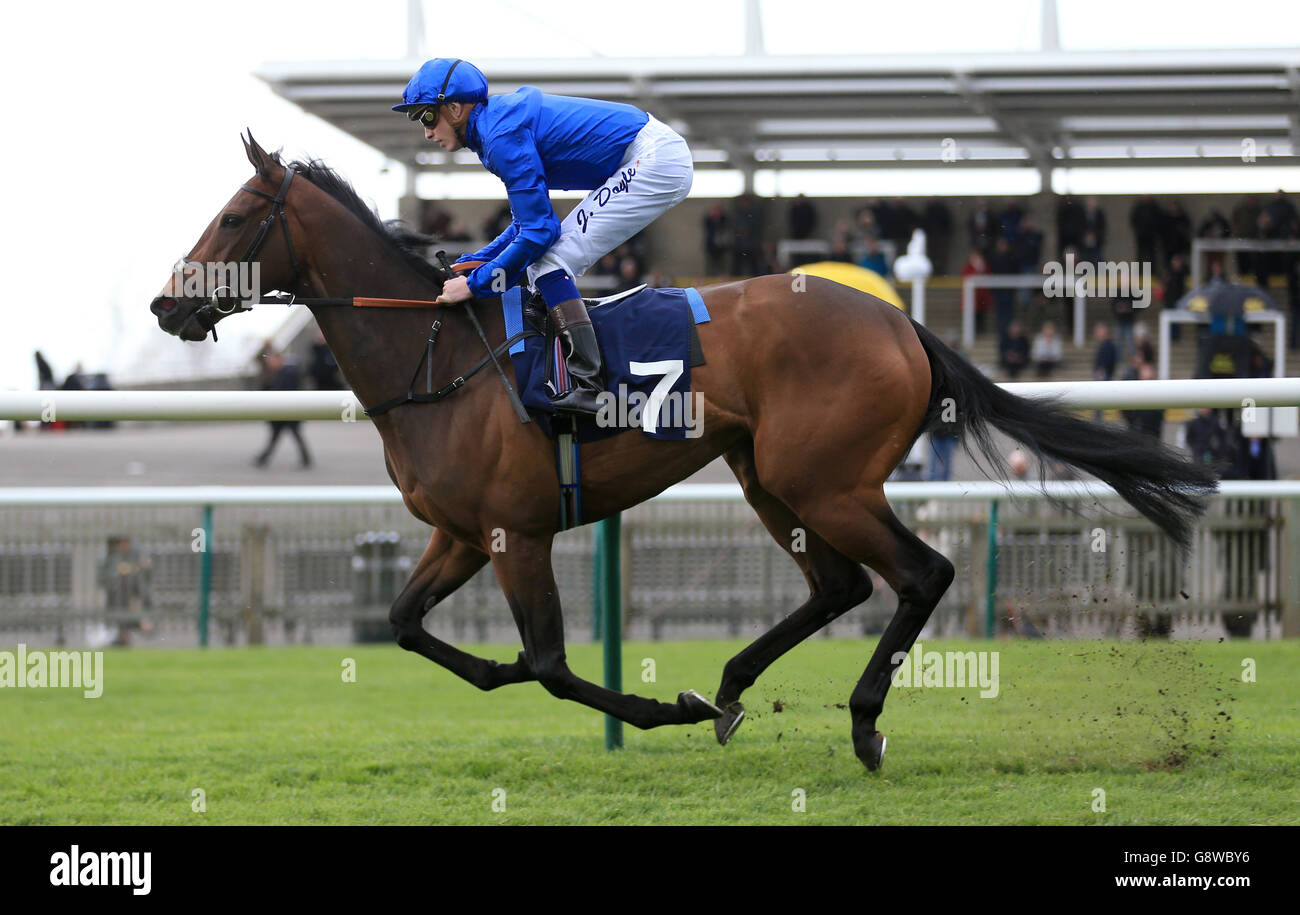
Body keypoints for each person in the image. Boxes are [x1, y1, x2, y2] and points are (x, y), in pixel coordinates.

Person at [395, 58, 694, 416]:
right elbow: (528, 223)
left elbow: (540, 232)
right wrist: (477, 261)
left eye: (427, 117)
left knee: (549, 261)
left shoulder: (500, 136)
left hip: (655, 159)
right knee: (543, 258)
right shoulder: (494, 127)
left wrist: (475, 285)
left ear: (455, 108)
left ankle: (589, 386)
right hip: (647, 153)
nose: (426, 132)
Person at [254, 351, 312, 469]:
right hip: (283, 413)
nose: (270, 363)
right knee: (281, 437)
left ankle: (264, 458)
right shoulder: (279, 373)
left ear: (279, 360)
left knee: (288, 436)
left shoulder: (289, 373)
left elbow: (283, 392)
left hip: (289, 412)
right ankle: (264, 458)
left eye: (273, 360)